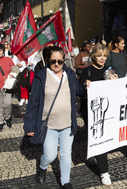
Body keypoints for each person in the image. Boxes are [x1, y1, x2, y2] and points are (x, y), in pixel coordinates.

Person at [24, 46, 86, 188]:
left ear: (64, 61)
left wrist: (87, 85)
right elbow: (33, 103)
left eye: (60, 61)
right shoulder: (41, 76)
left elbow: (79, 91)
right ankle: (42, 166)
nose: (57, 64)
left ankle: (65, 182)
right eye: (53, 61)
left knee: (65, 154)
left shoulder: (69, 74)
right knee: (50, 155)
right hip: (49, 124)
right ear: (48, 61)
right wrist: (29, 125)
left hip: (67, 124)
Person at [79, 44, 118, 186]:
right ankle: (104, 172)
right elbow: (79, 90)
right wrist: (85, 85)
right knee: (97, 134)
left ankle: (93, 154)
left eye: (105, 55)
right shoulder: (87, 71)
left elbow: (115, 89)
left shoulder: (109, 70)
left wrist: (117, 81)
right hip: (90, 109)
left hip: (105, 109)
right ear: (94, 56)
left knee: (99, 135)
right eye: (100, 55)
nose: (103, 58)